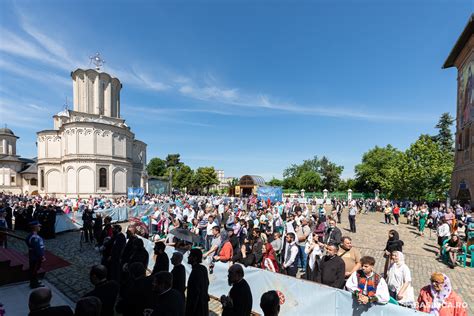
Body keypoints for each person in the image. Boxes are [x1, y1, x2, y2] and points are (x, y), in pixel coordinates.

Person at [185, 249, 209, 316]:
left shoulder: (196, 271)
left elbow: (196, 292)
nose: (188, 257)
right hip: (202, 305)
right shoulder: (202, 268)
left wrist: (191, 311)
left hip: (197, 309)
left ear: (195, 258)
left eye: (190, 256)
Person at [26, 220, 45, 288]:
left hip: (33, 256)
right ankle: (34, 284)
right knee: (34, 270)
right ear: (35, 227)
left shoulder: (32, 235)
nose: (40, 227)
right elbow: (37, 249)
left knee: (34, 270)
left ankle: (35, 281)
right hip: (35, 257)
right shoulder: (34, 238)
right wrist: (42, 256)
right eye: (38, 226)